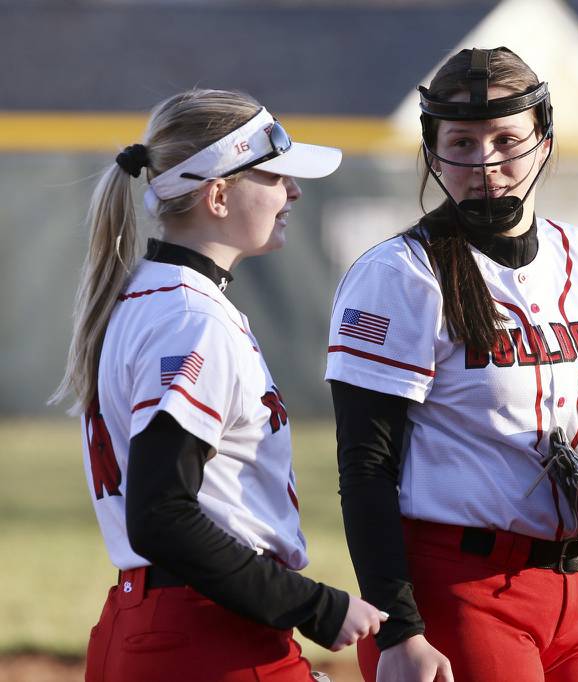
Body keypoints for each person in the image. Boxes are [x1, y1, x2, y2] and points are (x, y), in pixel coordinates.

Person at [325, 47, 578, 682]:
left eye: (507, 137)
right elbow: (365, 468)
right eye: (462, 142)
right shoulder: (398, 274)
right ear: (432, 147)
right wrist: (398, 628)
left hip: (575, 597)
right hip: (459, 589)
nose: (486, 162)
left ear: (544, 137)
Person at [51, 88, 386, 682]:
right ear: (219, 193)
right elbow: (161, 514)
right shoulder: (191, 319)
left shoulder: (145, 295)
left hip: (154, 621)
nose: (294, 192)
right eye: (277, 175)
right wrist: (315, 606)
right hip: (206, 633)